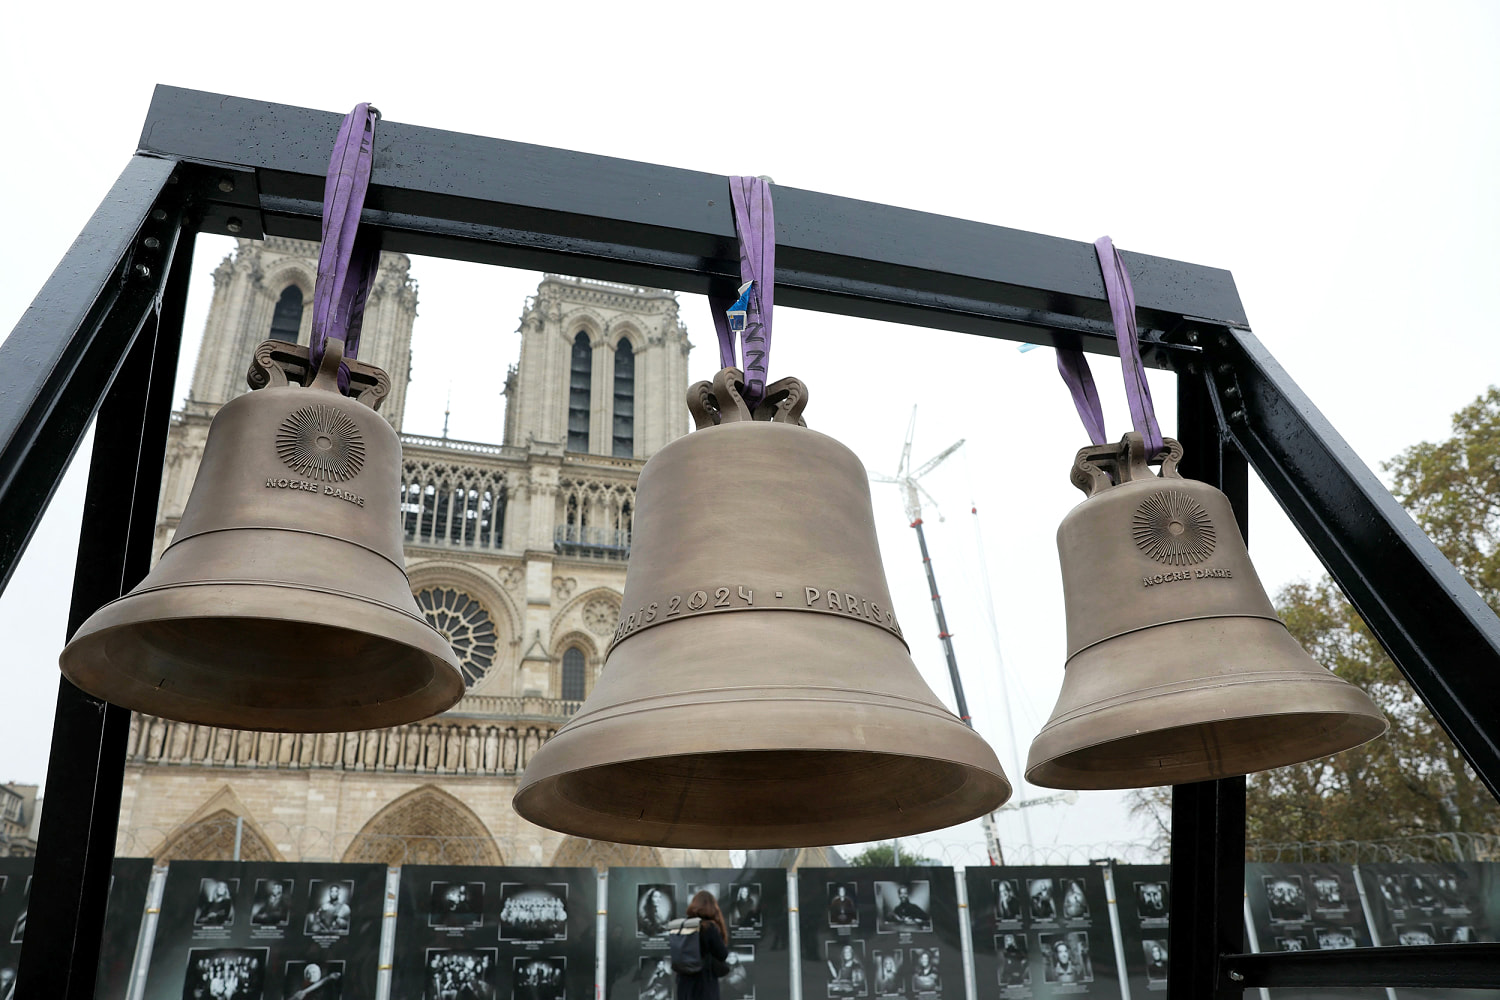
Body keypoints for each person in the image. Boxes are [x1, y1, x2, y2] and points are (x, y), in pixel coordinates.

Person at [675, 890, 729, 1000]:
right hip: (704, 984)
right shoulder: (709, 927)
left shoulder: (680, 926)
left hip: (684, 983)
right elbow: (722, 954)